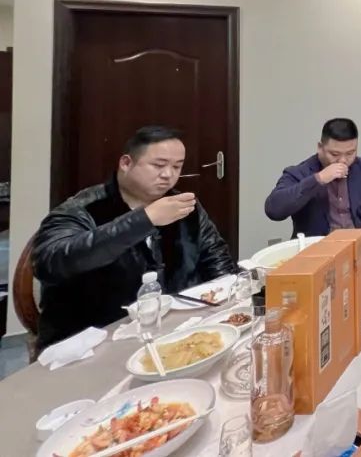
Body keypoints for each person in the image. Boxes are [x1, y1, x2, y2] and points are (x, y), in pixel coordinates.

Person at [32, 126, 237, 349]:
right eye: (158, 165)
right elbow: (51, 262)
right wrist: (144, 220)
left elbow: (216, 257)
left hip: (178, 329)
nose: (168, 175)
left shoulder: (182, 206)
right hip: (96, 341)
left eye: (177, 166)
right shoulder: (82, 209)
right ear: (126, 163)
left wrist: (230, 299)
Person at [266, 117, 361, 236]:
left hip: (359, 244)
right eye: (335, 154)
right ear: (320, 147)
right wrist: (318, 179)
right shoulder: (300, 172)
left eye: (350, 153)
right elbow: (274, 210)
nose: (343, 160)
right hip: (318, 248)